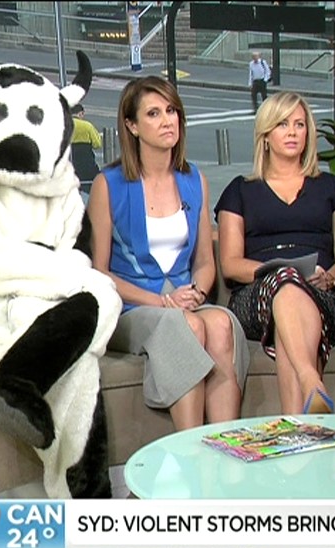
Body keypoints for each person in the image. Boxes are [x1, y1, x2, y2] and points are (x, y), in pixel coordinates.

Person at [87, 76, 249, 431]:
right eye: (154, 113)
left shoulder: (194, 180)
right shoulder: (108, 184)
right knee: (186, 325)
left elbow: (204, 261)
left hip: (181, 301)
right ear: (132, 126)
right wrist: (162, 302)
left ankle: (226, 445)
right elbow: (100, 273)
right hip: (131, 309)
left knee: (221, 324)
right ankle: (191, 447)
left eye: (172, 111)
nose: (167, 121)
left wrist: (197, 293)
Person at [215, 91, 335, 415]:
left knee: (288, 308)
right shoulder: (240, 190)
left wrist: (329, 277)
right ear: (265, 136)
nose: (293, 132)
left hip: (322, 293)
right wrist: (279, 271)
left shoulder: (332, 187)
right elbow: (231, 264)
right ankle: (310, 379)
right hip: (256, 295)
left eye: (299, 124)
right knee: (286, 281)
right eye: (282, 124)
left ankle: (297, 426)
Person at [70, 103, 102, 196]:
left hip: (69, 166)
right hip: (86, 165)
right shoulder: (87, 126)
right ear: (81, 113)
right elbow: (97, 144)